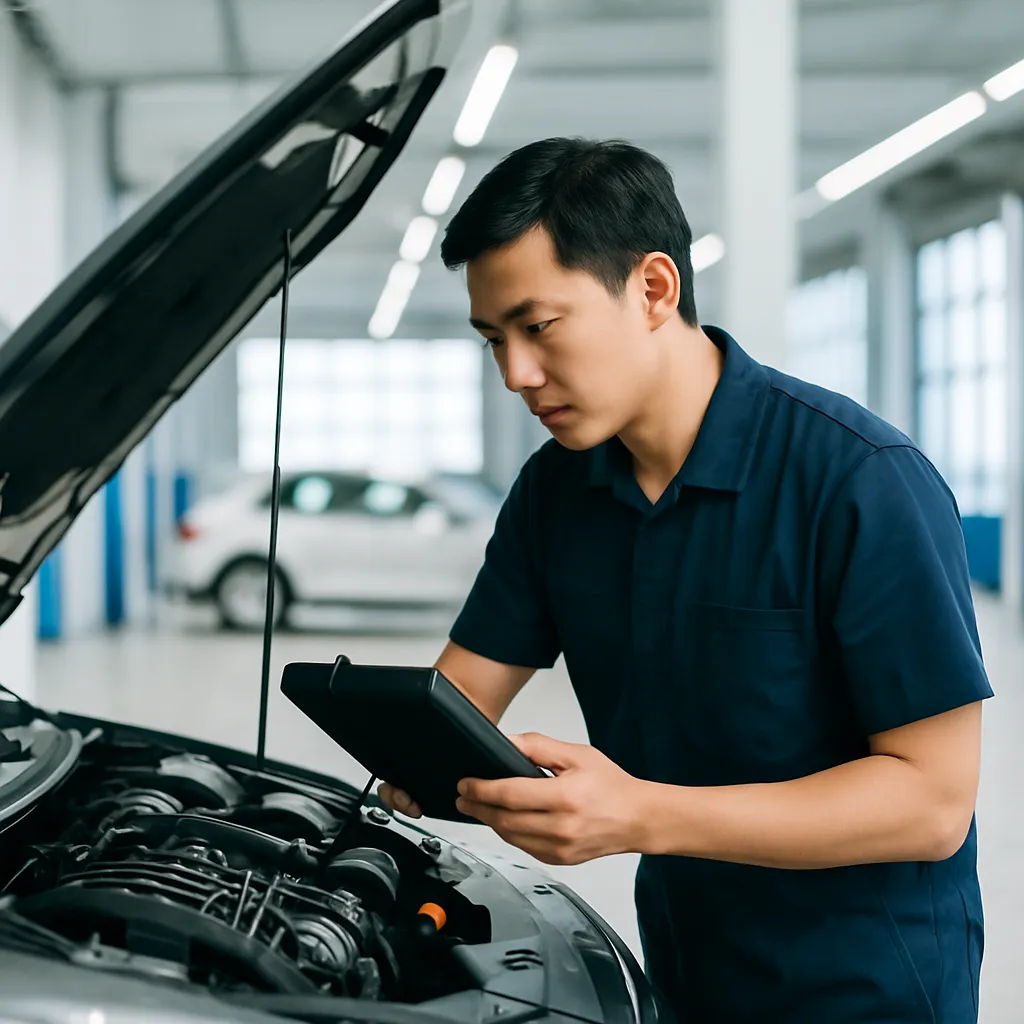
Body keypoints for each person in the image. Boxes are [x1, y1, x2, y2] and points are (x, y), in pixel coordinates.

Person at [377, 137, 994, 1023]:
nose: (517, 374)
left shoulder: (860, 479)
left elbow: (931, 803)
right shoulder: (559, 489)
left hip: (866, 987)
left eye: (538, 327)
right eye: (493, 341)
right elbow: (461, 693)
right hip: (681, 969)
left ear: (654, 289)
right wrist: (435, 765)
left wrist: (636, 815)